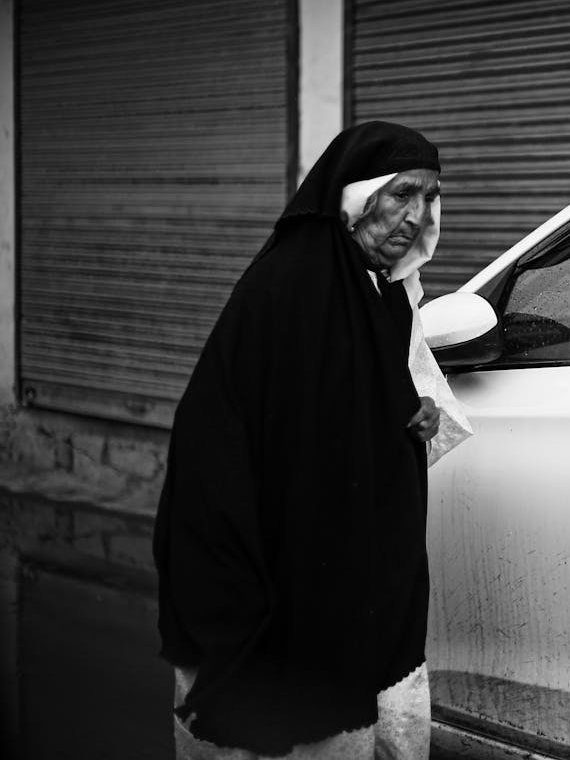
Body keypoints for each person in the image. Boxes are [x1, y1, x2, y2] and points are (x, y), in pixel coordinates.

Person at [153, 122, 469, 759]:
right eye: (402, 193)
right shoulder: (298, 286)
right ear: (358, 197)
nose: (417, 215)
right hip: (286, 562)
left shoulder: (382, 290)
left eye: (429, 198)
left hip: (353, 565)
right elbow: (267, 431)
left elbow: (390, 392)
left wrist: (422, 412)